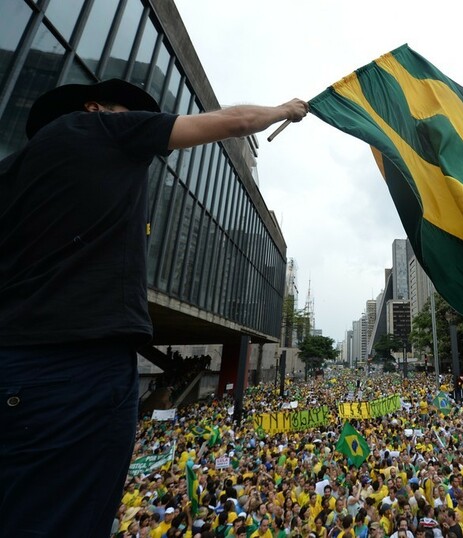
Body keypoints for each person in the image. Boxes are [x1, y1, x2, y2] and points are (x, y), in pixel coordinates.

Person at [0, 78, 308, 537]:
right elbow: (233, 122)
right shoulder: (104, 129)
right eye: (130, 111)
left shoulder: (14, 170)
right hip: (78, 366)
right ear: (95, 108)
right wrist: (285, 108)